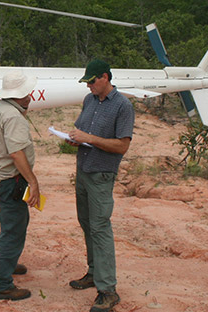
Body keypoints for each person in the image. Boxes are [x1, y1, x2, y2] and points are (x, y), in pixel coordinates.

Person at [67, 59, 134, 312]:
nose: (89, 86)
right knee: (87, 224)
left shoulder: (123, 106)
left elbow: (122, 146)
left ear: (105, 77)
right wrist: (75, 139)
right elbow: (82, 131)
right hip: (83, 170)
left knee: (100, 228)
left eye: (92, 81)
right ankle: (94, 273)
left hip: (102, 175)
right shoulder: (89, 101)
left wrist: (89, 139)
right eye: (87, 82)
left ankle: (108, 291)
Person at [0, 70, 41, 301]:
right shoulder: (13, 117)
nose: (31, 96)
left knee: (11, 225)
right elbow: (16, 153)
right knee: (14, 230)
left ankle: (0, 263)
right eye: (28, 92)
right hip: (10, 180)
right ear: (22, 94)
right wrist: (33, 182)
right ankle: (2, 284)